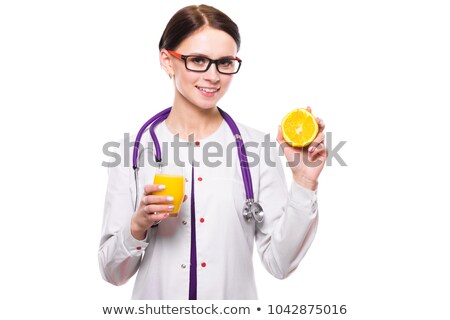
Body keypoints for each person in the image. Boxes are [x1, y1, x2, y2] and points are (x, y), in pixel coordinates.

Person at [98, 4, 327, 300]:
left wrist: (304, 182)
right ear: (168, 61)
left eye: (225, 63)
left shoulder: (258, 149)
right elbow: (112, 273)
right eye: (198, 60)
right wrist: (139, 224)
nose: (213, 76)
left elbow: (280, 264)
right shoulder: (130, 153)